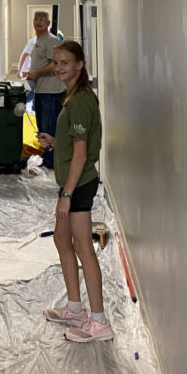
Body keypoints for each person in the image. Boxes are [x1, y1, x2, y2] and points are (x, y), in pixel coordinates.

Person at [38, 40, 112, 343]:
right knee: (61, 238)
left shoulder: (80, 100)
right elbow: (75, 145)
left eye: (65, 62)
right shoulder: (72, 96)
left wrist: (66, 196)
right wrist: (56, 143)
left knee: (83, 246)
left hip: (78, 184)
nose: (59, 68)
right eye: (56, 63)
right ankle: (74, 308)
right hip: (72, 180)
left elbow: (82, 155)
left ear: (79, 65)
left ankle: (99, 322)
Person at [26, 10, 65, 169]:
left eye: (42, 19)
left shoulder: (51, 41)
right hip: (41, 90)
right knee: (42, 126)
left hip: (51, 91)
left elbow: (55, 64)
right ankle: (47, 159)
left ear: (48, 23)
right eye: (36, 19)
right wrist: (32, 73)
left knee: (49, 128)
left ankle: (51, 162)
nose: (38, 22)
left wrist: (37, 73)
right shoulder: (38, 40)